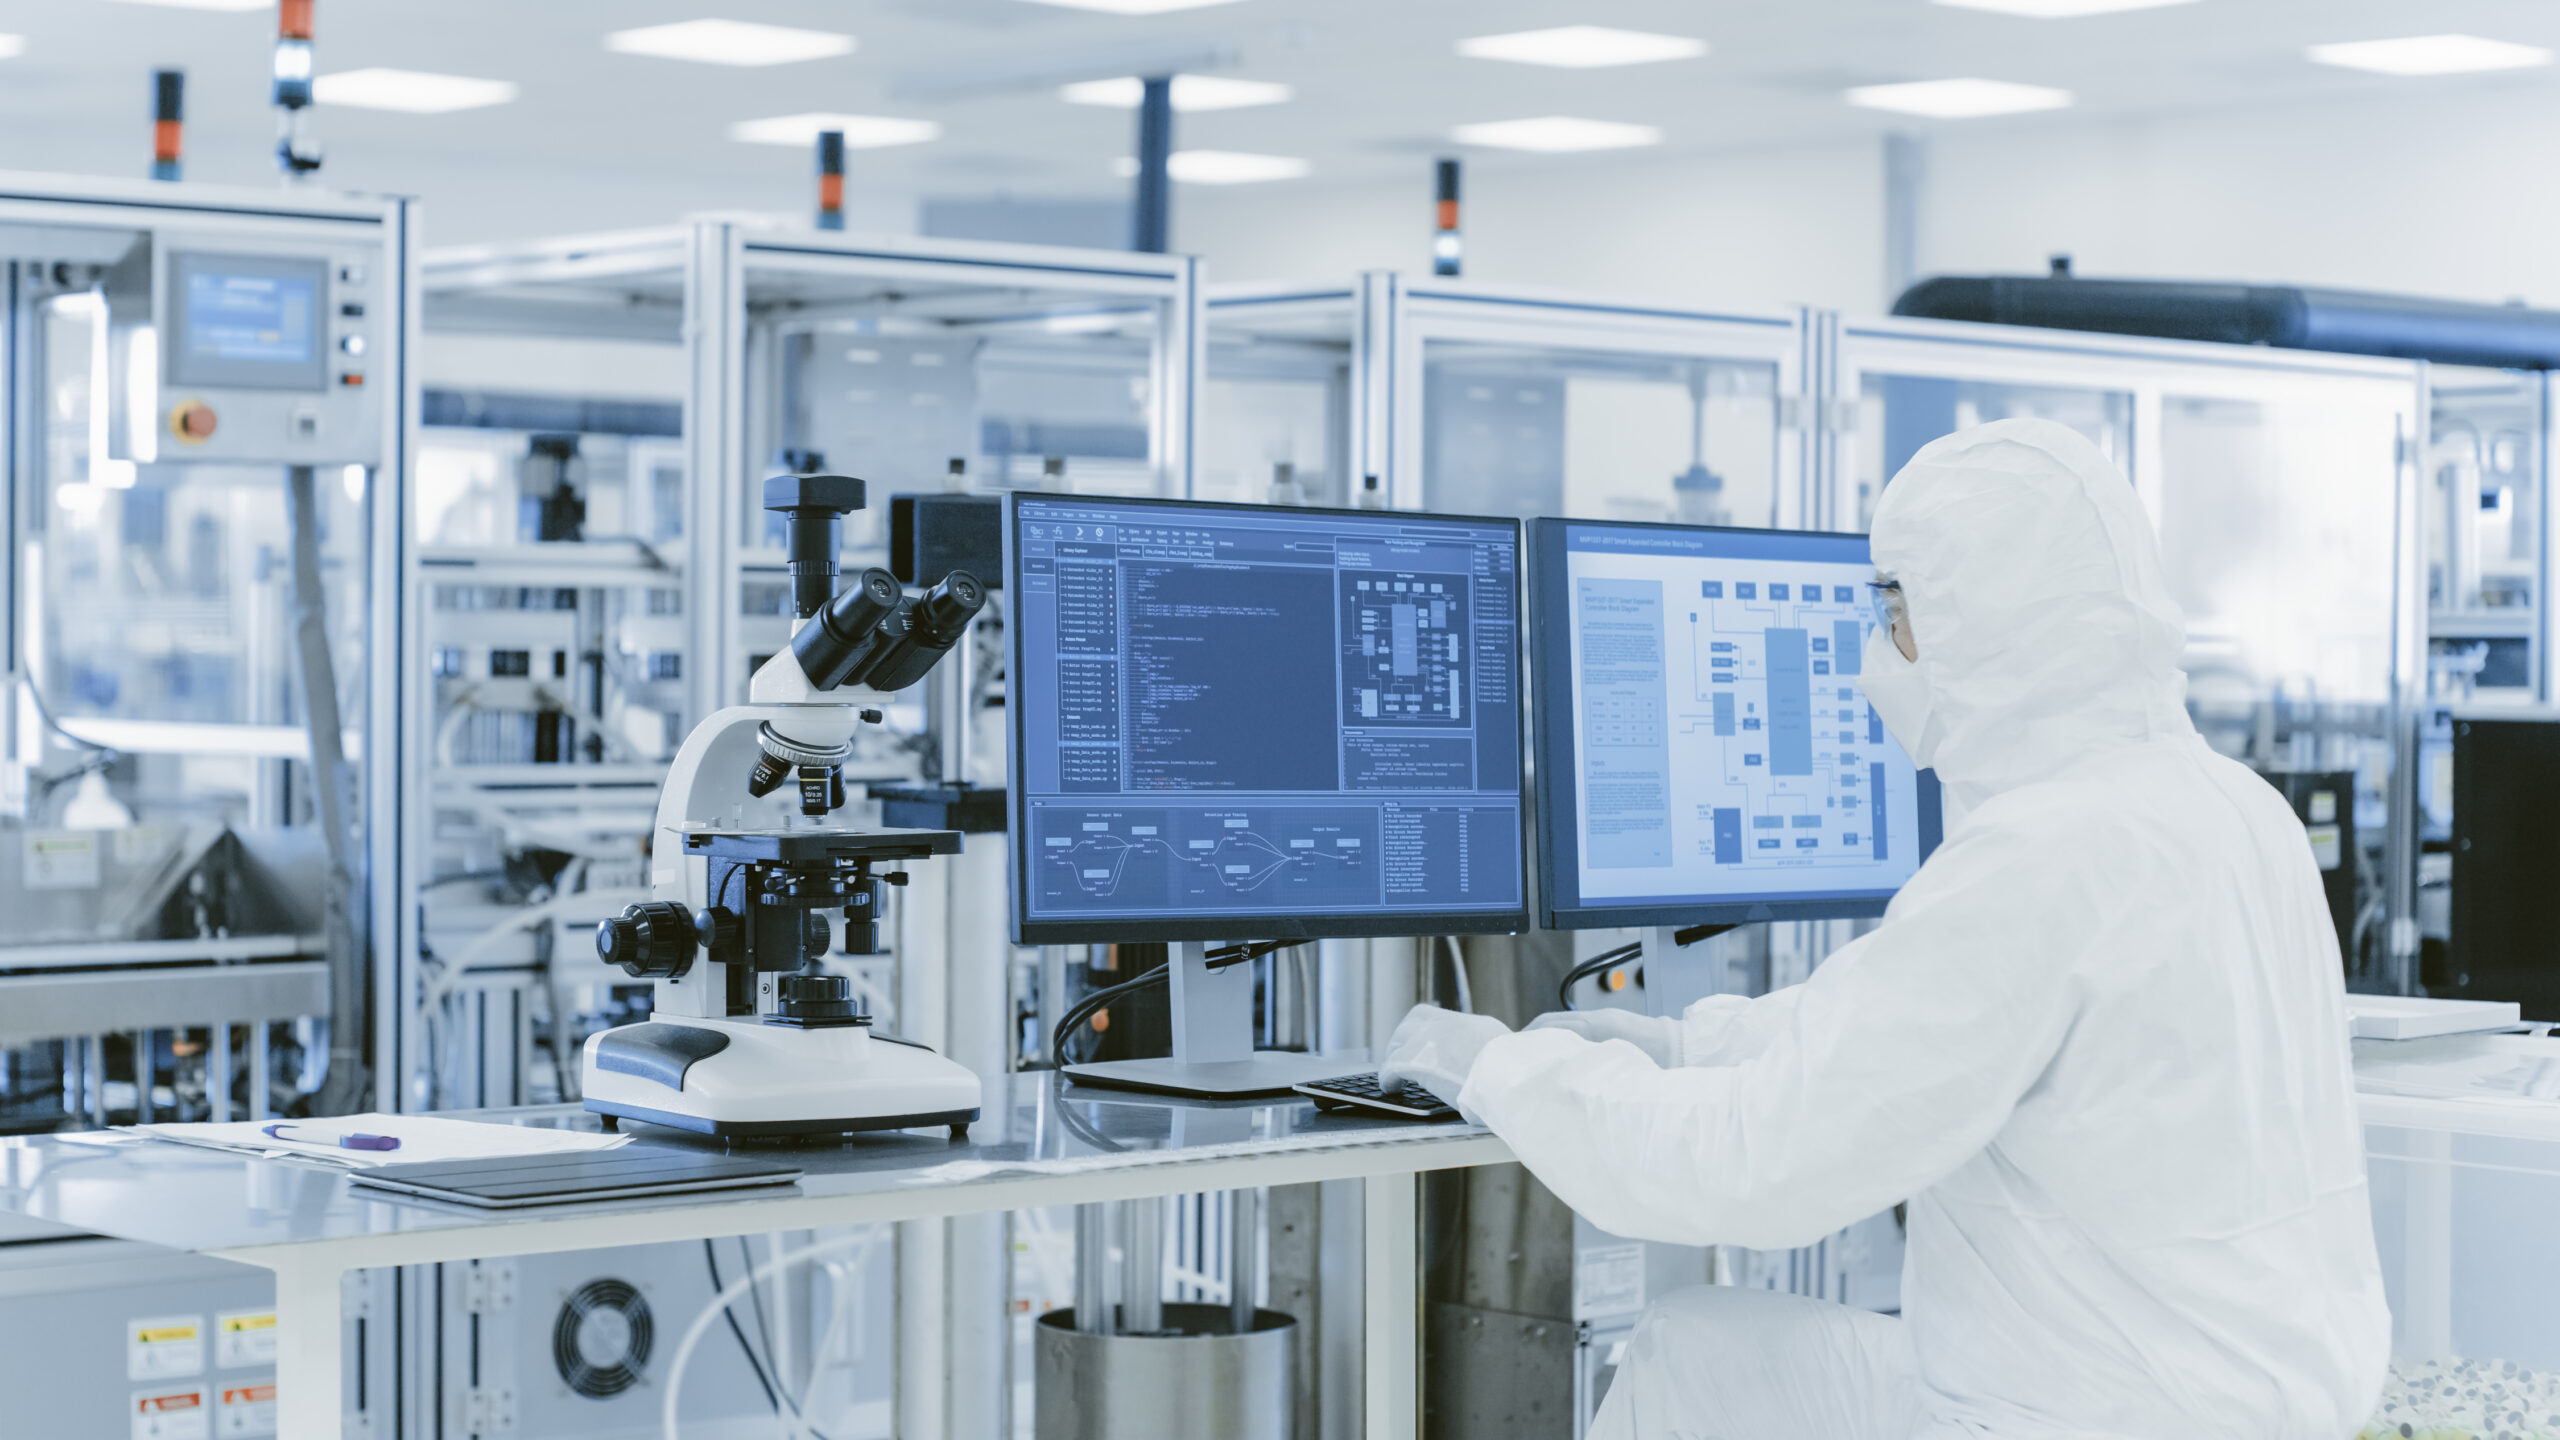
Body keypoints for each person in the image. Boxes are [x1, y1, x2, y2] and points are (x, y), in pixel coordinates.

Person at [1381, 418, 2388, 1440]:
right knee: (1702, 1351)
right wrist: (1684, 1043)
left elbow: (1750, 1169)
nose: (1879, 654)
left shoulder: (2045, 853)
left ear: (1989, 622)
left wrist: (1500, 1074)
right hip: (2228, 1399)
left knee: (1703, 1358)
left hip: (2094, 1415)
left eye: (1898, 611)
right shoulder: (2227, 806)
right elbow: (1891, 1018)